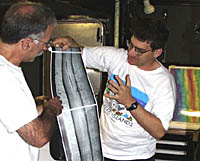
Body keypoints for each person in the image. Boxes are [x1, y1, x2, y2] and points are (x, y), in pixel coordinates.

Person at [53, 18, 176, 161]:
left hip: (137, 156)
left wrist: (130, 102)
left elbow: (159, 131)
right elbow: (80, 54)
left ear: (157, 52)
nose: (131, 53)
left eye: (139, 51)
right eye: (131, 45)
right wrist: (70, 43)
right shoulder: (116, 57)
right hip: (102, 151)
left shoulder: (163, 82)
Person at [0, 1, 63, 161]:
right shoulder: (5, 77)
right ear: (26, 43)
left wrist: (41, 108)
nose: (44, 48)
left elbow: (12, 117)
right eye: (44, 43)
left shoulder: (8, 69)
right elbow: (38, 137)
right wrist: (52, 110)